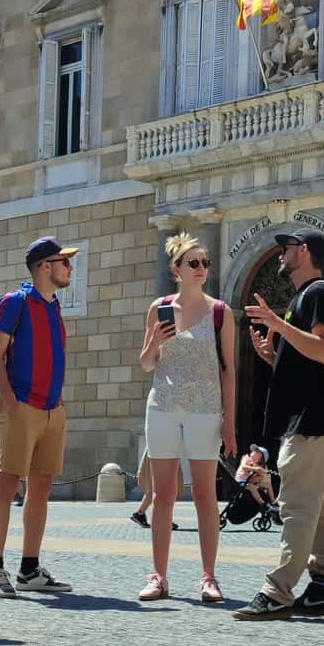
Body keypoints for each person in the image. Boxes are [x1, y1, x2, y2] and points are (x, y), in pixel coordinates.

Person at [234, 229, 324, 620]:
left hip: (313, 419)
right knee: (319, 508)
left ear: (305, 252)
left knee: (297, 507)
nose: (281, 253)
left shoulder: (319, 293)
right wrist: (271, 356)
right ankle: (322, 587)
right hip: (314, 415)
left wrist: (279, 327)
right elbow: (307, 365)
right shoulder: (305, 297)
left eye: (287, 248)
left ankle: (278, 590)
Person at [138, 232, 236, 603]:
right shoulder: (158, 308)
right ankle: (158, 576)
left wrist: (229, 419)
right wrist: (156, 342)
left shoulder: (220, 312)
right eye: (193, 263)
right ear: (176, 269)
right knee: (162, 494)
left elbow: (228, 369)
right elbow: (147, 363)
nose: (201, 269)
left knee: (205, 495)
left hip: (205, 411)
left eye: (205, 263)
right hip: (162, 407)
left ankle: (209, 577)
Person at [0, 236, 78, 599]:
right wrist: (9, 401)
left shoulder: (54, 308)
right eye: (64, 262)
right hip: (22, 408)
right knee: (7, 485)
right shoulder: (15, 302)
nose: (69, 268)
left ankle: (29, 568)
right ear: (44, 266)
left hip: (53, 410)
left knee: (41, 488)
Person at [130, 446, 182, 530]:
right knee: (163, 488)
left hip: (159, 450)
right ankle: (163, 520)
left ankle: (140, 513)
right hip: (162, 452)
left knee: (158, 488)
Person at [236, 444, 280, 512]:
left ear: (261, 458)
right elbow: (244, 467)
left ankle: (273, 502)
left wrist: (259, 476)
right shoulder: (246, 457)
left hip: (250, 481)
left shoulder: (259, 466)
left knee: (268, 485)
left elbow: (260, 478)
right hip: (241, 480)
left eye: (257, 451)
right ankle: (262, 503)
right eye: (255, 450)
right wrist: (255, 469)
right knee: (252, 487)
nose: (254, 451)